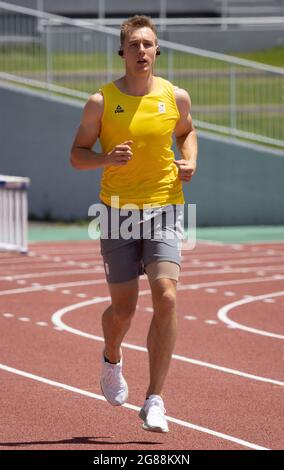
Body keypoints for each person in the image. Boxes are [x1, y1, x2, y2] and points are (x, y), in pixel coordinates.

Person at [70, 15, 197, 433]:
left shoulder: (175, 97)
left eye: (148, 44)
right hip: (117, 211)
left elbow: (187, 132)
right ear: (122, 52)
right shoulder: (101, 102)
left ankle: (155, 399)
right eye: (134, 45)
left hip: (165, 206)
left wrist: (190, 158)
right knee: (124, 309)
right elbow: (77, 154)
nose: (142, 51)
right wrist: (106, 159)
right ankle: (111, 358)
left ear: (156, 51)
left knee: (167, 296)